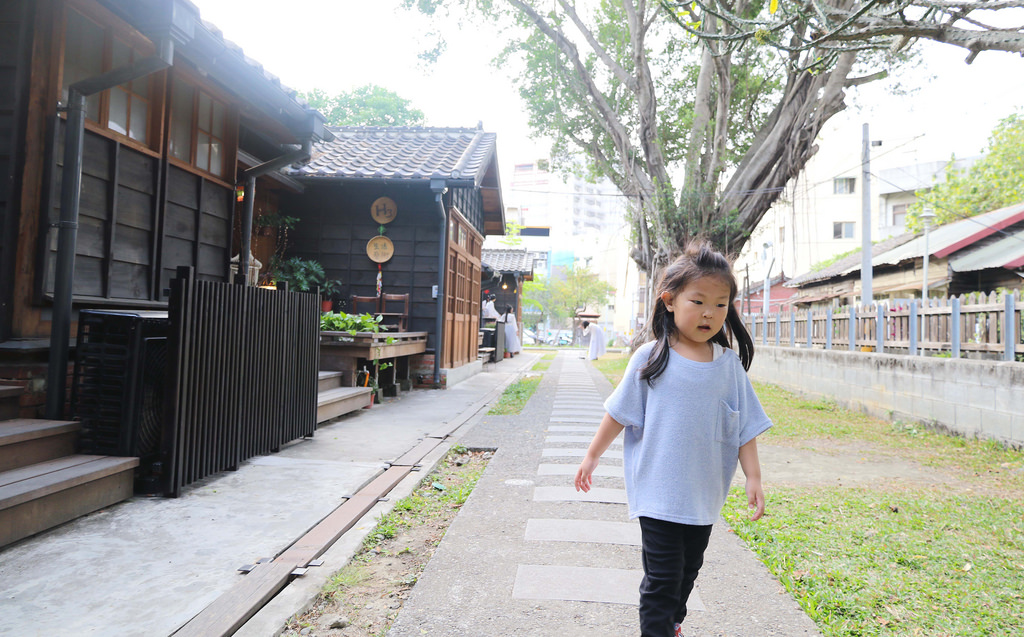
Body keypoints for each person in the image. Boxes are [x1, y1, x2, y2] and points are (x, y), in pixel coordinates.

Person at [574, 240, 771, 637]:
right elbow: (619, 411)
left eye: (720, 304)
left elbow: (743, 426)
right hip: (658, 493)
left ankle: (672, 624)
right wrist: (592, 455)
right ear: (669, 301)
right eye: (698, 301)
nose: (709, 313)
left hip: (703, 495)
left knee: (687, 574)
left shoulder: (728, 367)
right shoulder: (651, 357)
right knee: (662, 580)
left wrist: (754, 477)